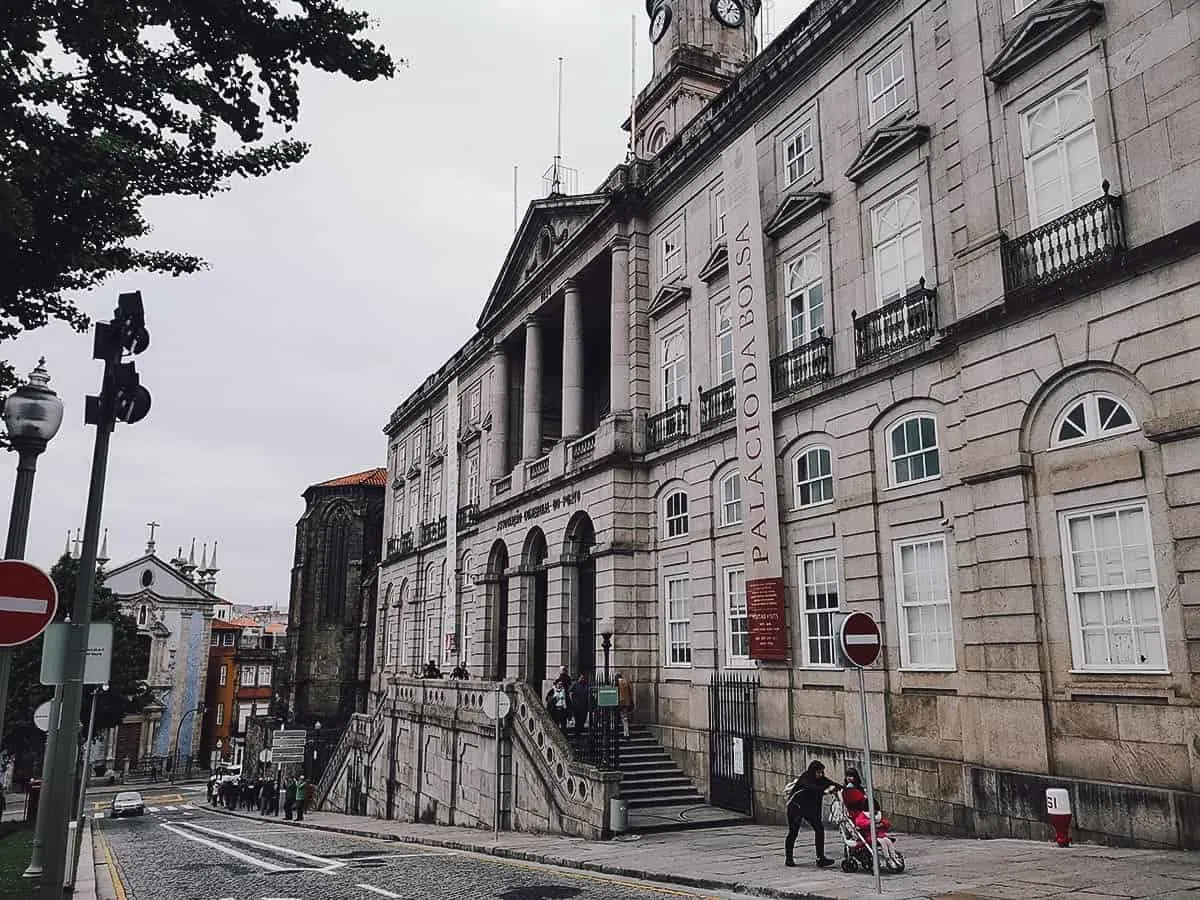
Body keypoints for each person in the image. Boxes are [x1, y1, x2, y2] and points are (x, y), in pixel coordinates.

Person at [784, 760, 841, 868]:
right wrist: (825, 790)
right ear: (813, 771)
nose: (820, 775)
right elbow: (811, 787)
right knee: (793, 832)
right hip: (796, 807)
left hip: (809, 808)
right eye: (818, 772)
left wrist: (842, 788)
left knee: (819, 829)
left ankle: (821, 858)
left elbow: (832, 784)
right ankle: (789, 858)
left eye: (821, 772)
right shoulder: (805, 778)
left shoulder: (821, 779)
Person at [568, 672, 590, 738]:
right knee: (577, 720)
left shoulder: (586, 685)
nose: (582, 679)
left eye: (583, 678)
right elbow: (569, 692)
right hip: (576, 706)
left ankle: (580, 731)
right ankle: (577, 733)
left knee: (583, 719)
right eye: (581, 678)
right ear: (579, 678)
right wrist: (572, 701)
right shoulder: (575, 684)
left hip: (584, 706)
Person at [615, 671, 633, 738]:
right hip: (626, 702)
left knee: (618, 718)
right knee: (625, 718)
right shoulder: (626, 682)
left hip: (620, 702)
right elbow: (630, 693)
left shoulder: (617, 682)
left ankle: (619, 733)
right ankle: (626, 733)